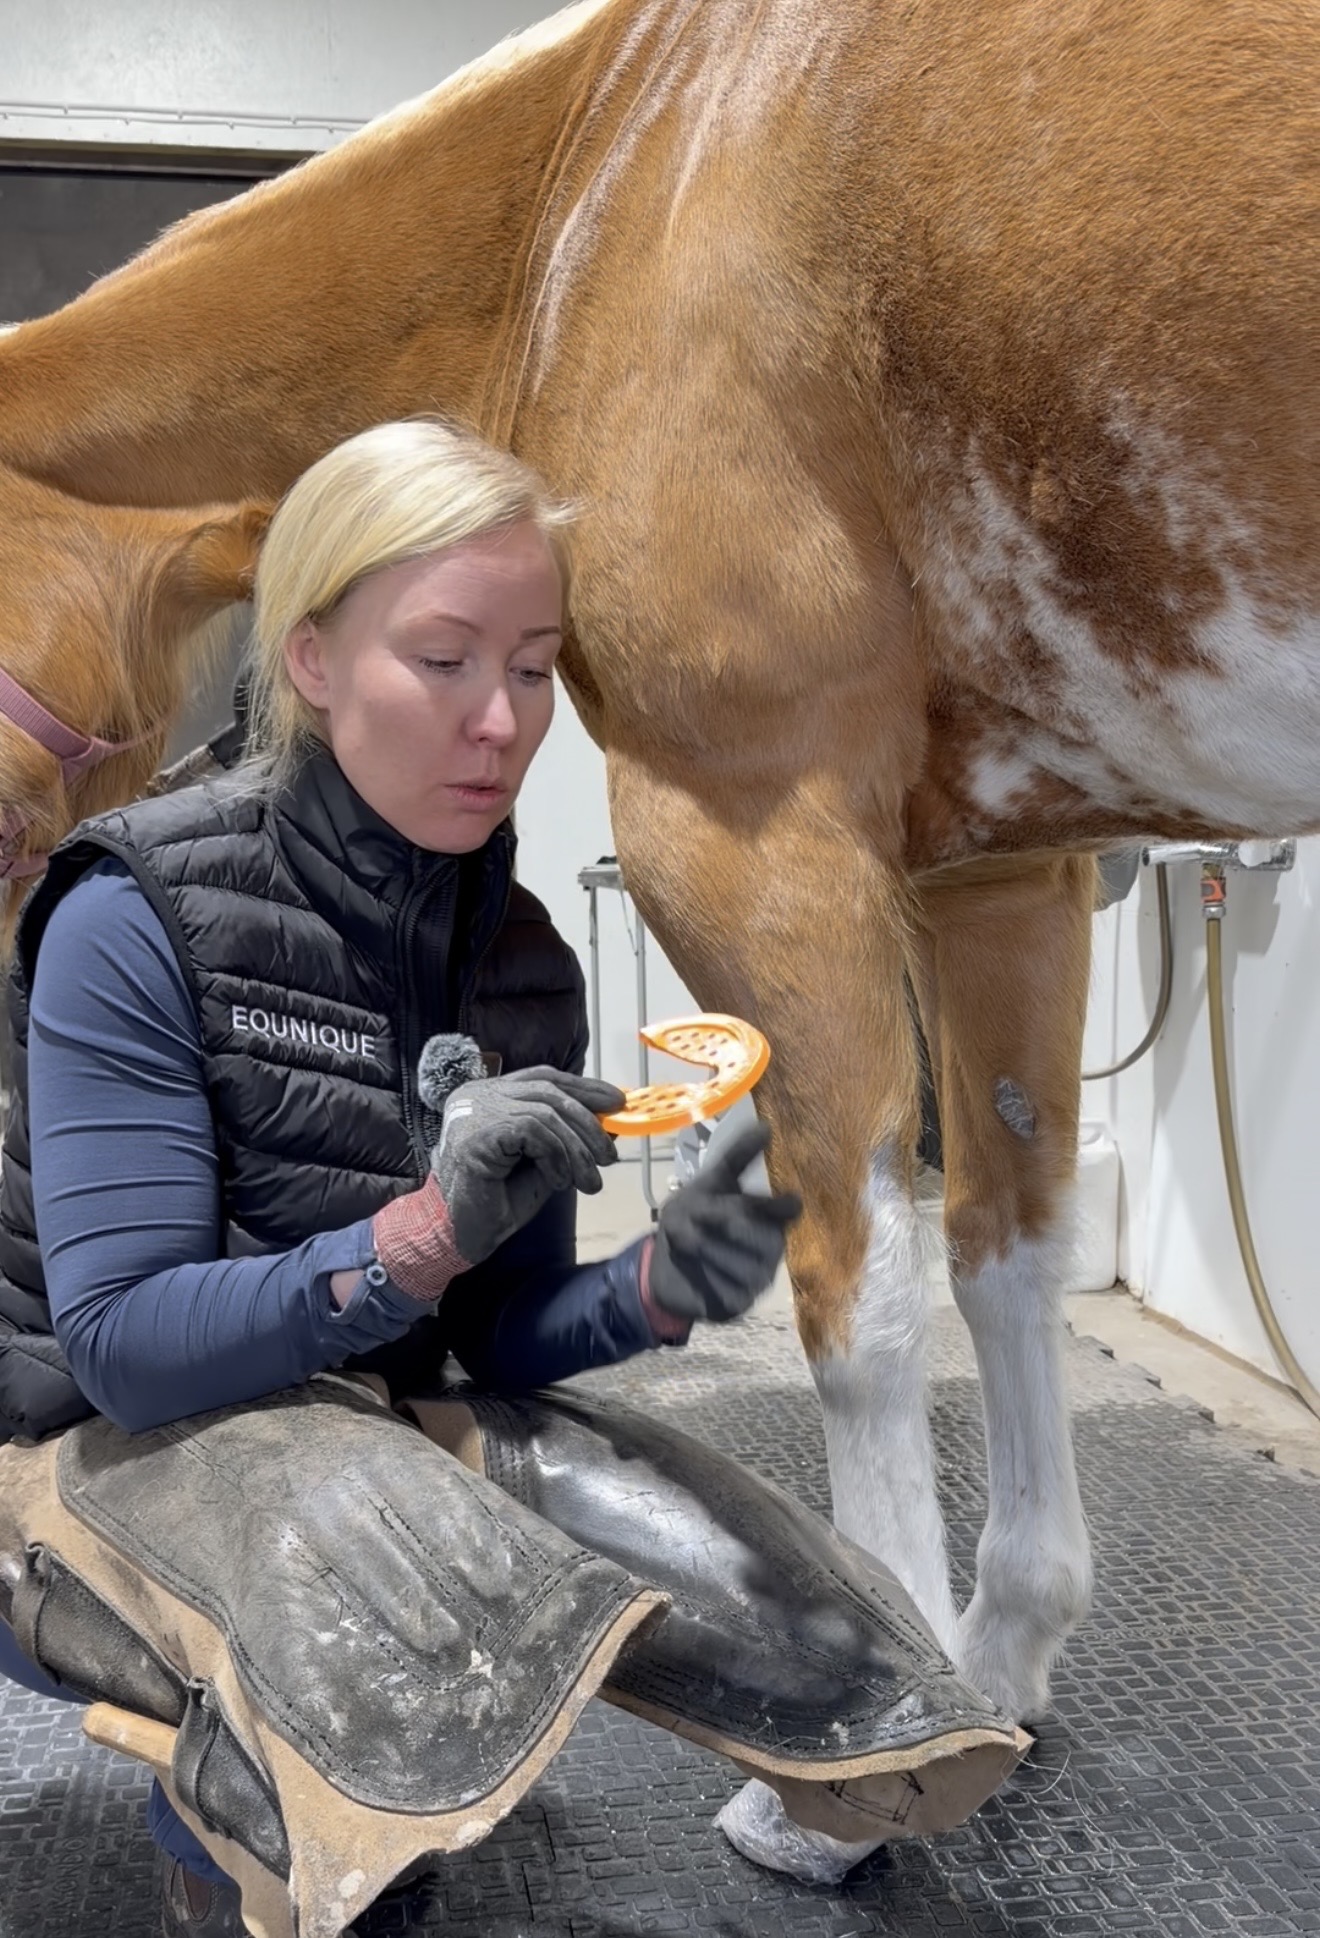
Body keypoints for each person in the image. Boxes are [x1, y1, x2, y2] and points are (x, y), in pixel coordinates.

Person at [0, 421, 1020, 1938]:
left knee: (816, 1634)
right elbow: (124, 1347)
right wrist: (417, 1234)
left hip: (366, 1417)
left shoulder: (524, 959)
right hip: (80, 1461)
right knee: (374, 1634)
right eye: (444, 659)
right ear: (313, 662)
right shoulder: (134, 908)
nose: (501, 720)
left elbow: (501, 1338)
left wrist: (661, 1285)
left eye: (534, 666)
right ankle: (245, 1833)